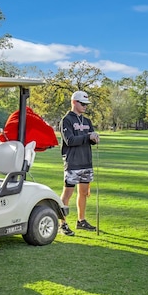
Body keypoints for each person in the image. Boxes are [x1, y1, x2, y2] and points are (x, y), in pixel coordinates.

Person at [58, 90, 100, 236]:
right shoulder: (66, 120)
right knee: (67, 194)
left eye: (86, 104)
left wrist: (94, 138)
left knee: (83, 193)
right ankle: (62, 223)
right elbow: (69, 140)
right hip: (73, 162)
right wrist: (88, 136)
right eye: (82, 103)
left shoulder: (87, 121)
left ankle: (81, 221)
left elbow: (90, 140)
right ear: (74, 102)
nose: (85, 106)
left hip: (86, 162)